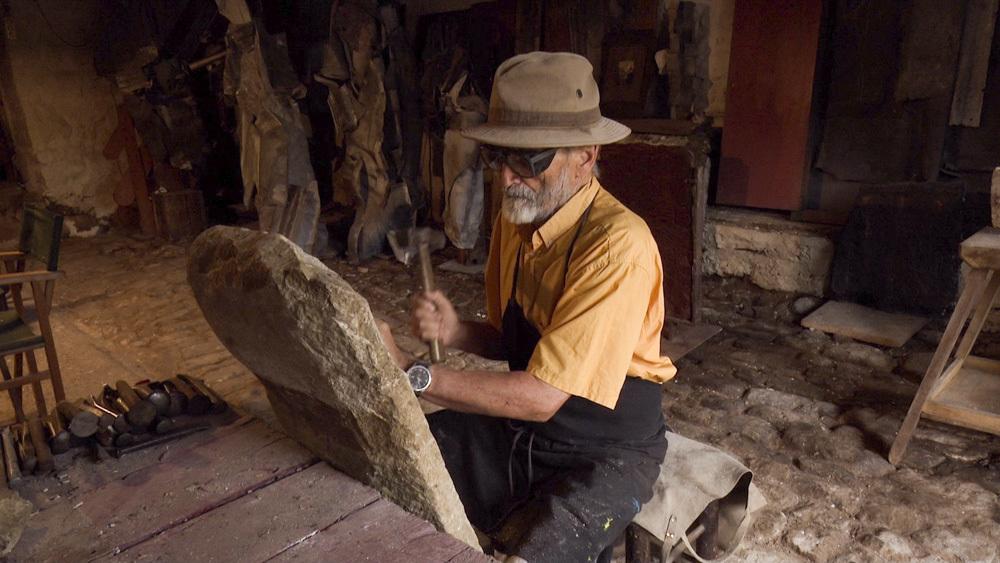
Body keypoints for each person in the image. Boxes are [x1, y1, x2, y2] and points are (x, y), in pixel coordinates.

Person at [377, 51, 677, 563]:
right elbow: (511, 336)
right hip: (531, 432)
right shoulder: (520, 219)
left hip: (606, 452)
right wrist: (456, 332)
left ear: (587, 155)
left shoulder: (617, 246)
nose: (508, 178)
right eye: (499, 156)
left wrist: (411, 372)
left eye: (531, 161)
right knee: (392, 461)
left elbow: (541, 394)